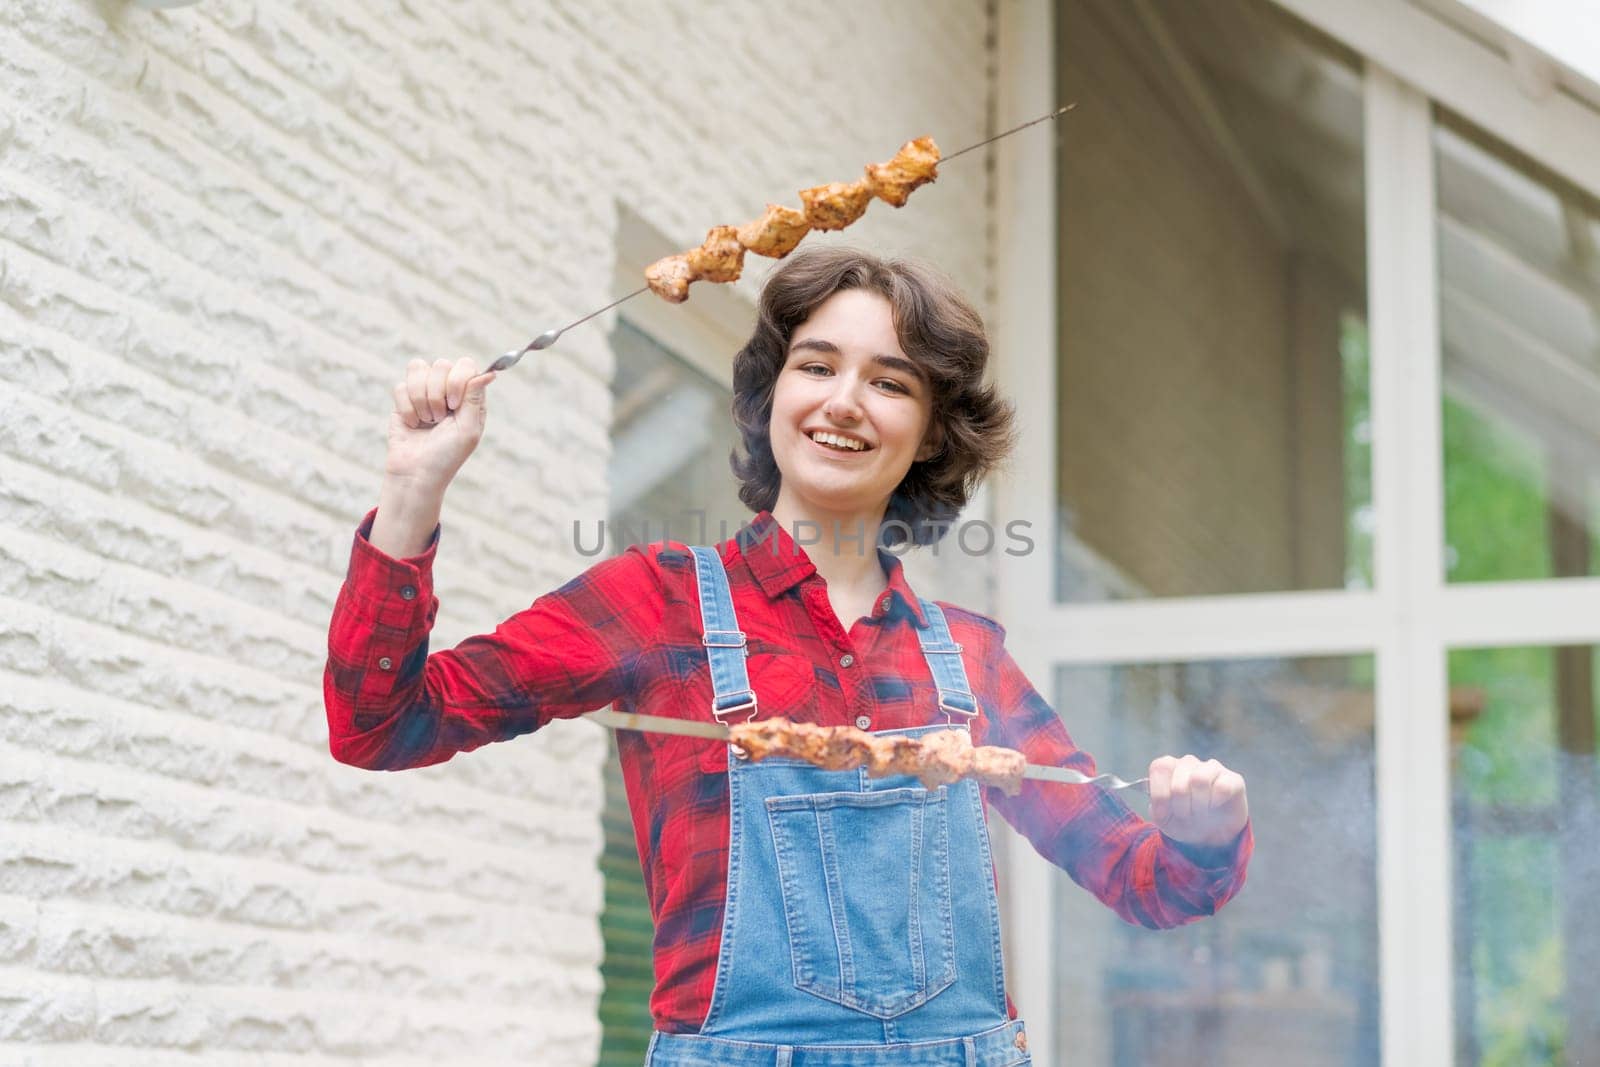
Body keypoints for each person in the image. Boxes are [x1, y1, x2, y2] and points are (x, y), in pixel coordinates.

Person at [324, 246, 1253, 1065]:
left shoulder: (968, 656)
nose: (845, 401)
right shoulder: (658, 603)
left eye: (890, 382)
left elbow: (1147, 880)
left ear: (931, 431)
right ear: (774, 395)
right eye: (818, 365)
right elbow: (380, 725)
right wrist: (413, 489)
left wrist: (1201, 834)